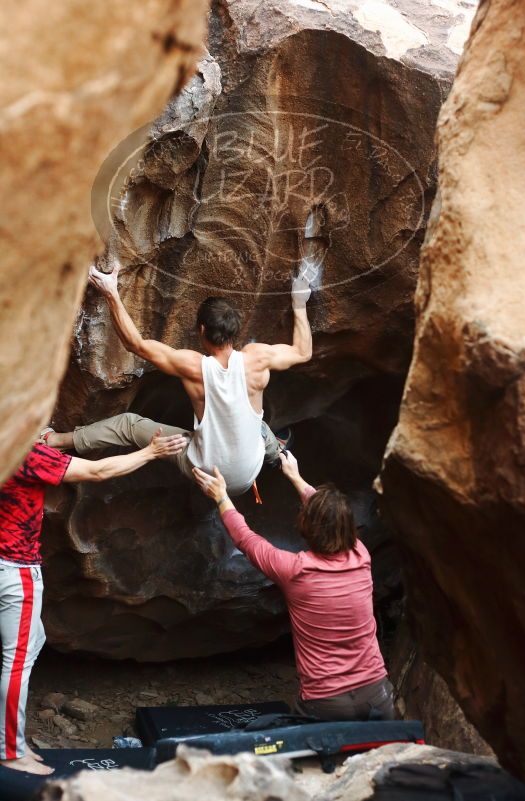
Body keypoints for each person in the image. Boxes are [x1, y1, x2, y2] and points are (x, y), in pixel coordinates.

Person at [0, 431, 185, 775]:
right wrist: (151, 452)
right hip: (16, 568)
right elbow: (98, 472)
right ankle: (9, 751)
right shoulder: (24, 453)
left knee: (32, 641)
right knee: (17, 662)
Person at [45, 263, 313, 497]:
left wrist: (110, 292)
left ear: (201, 330)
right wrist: (299, 302)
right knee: (260, 427)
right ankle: (276, 456)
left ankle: (56, 441)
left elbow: (135, 344)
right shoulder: (258, 359)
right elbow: (303, 352)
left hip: (205, 472)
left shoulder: (192, 366)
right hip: (245, 474)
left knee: (128, 425)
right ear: (235, 331)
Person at [193, 452, 394, 722]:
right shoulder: (361, 556)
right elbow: (331, 518)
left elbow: (246, 539)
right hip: (377, 697)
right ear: (349, 528)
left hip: (326, 703)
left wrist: (221, 497)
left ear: (306, 526)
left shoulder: (295, 571)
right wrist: (296, 477)